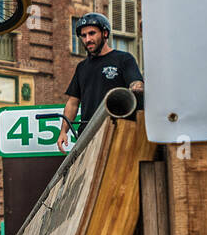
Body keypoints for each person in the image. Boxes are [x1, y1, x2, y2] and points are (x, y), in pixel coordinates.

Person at [61, 12, 145, 142]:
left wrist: (137, 88)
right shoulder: (81, 67)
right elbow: (72, 103)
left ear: (105, 33)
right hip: (87, 136)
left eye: (92, 33)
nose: (87, 39)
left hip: (117, 133)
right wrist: (63, 132)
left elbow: (136, 84)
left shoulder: (123, 59)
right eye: (83, 35)